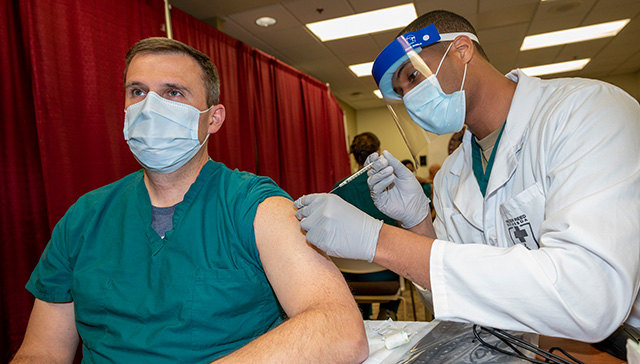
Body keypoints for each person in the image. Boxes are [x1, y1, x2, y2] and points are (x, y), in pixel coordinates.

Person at [10, 37, 368, 364]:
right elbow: (42, 351)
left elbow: (339, 330)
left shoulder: (255, 208)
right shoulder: (84, 219)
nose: (149, 108)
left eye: (173, 93)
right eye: (137, 91)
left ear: (213, 119)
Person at [294, 10, 640, 343]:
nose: (410, 98)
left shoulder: (588, 112)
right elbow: (452, 304)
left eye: (413, 77)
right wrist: (418, 224)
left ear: (462, 50)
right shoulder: (450, 176)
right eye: (400, 93)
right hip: (522, 348)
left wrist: (379, 240)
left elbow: (590, 299)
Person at [333, 132, 402, 321]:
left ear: (354, 157)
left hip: (350, 276)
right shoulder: (390, 185)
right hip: (385, 273)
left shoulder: (339, 189)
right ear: (378, 153)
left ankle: (363, 315)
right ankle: (388, 311)